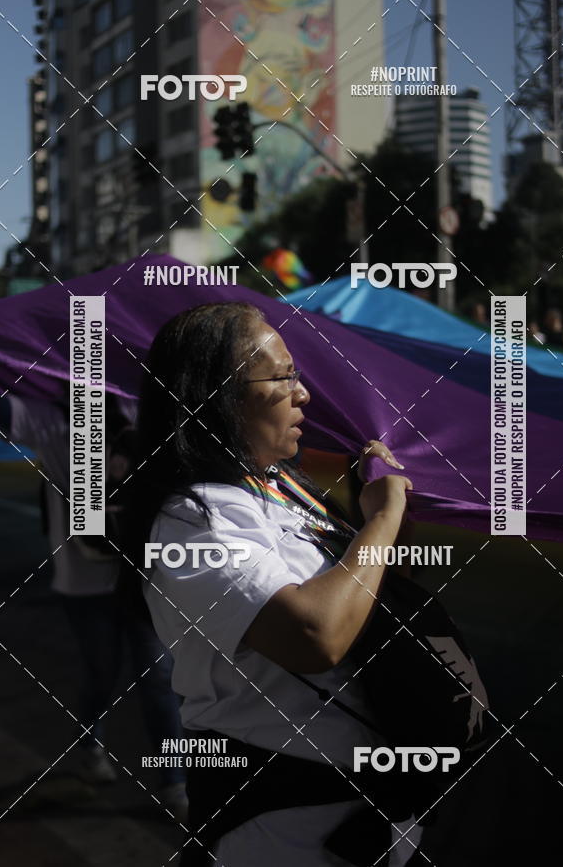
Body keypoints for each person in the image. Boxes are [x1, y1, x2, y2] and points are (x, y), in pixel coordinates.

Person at [135, 302, 423, 866]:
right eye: (283, 375)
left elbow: (366, 592)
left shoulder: (282, 486)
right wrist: (381, 521)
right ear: (219, 397)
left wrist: (386, 525)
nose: (304, 393)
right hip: (281, 835)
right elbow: (314, 635)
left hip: (375, 819)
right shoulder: (193, 520)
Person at [0, 391, 187, 818]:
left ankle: (173, 781)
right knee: (101, 673)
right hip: (83, 579)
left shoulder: (136, 403)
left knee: (159, 677)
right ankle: (91, 749)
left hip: (139, 574)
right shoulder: (48, 416)